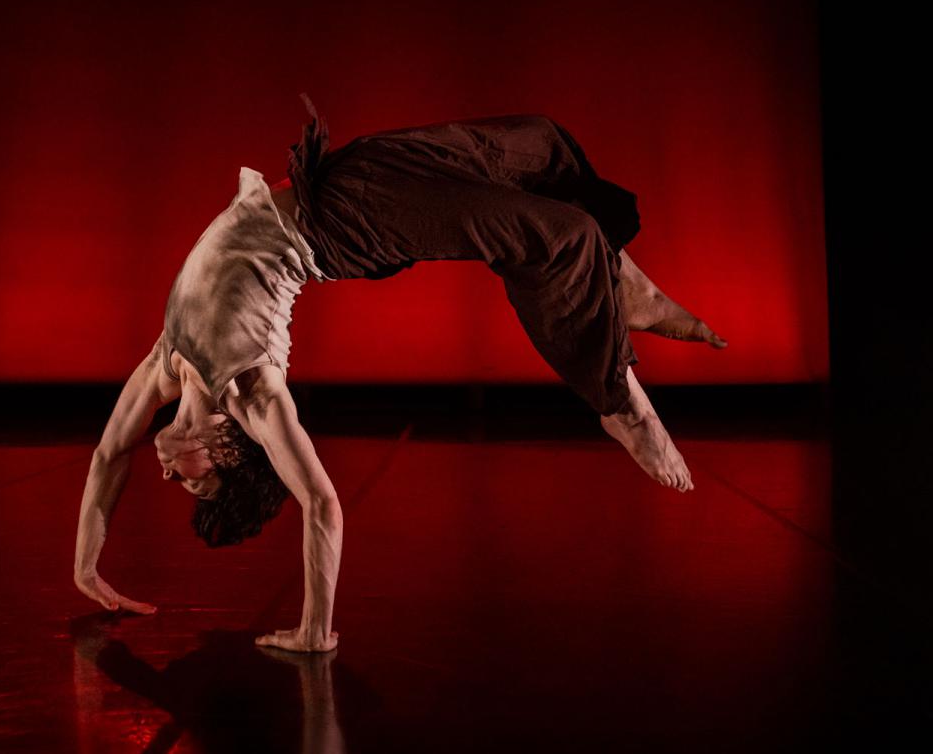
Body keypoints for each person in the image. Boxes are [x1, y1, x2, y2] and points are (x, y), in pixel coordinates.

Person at [74, 94, 728, 652]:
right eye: (191, 486)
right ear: (226, 453)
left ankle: (628, 288)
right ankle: (619, 403)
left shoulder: (165, 365)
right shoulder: (254, 392)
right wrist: (314, 629)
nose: (166, 474)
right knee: (558, 236)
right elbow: (323, 507)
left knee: (536, 145)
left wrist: (86, 567)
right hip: (354, 227)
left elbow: (109, 456)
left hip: (340, 178)